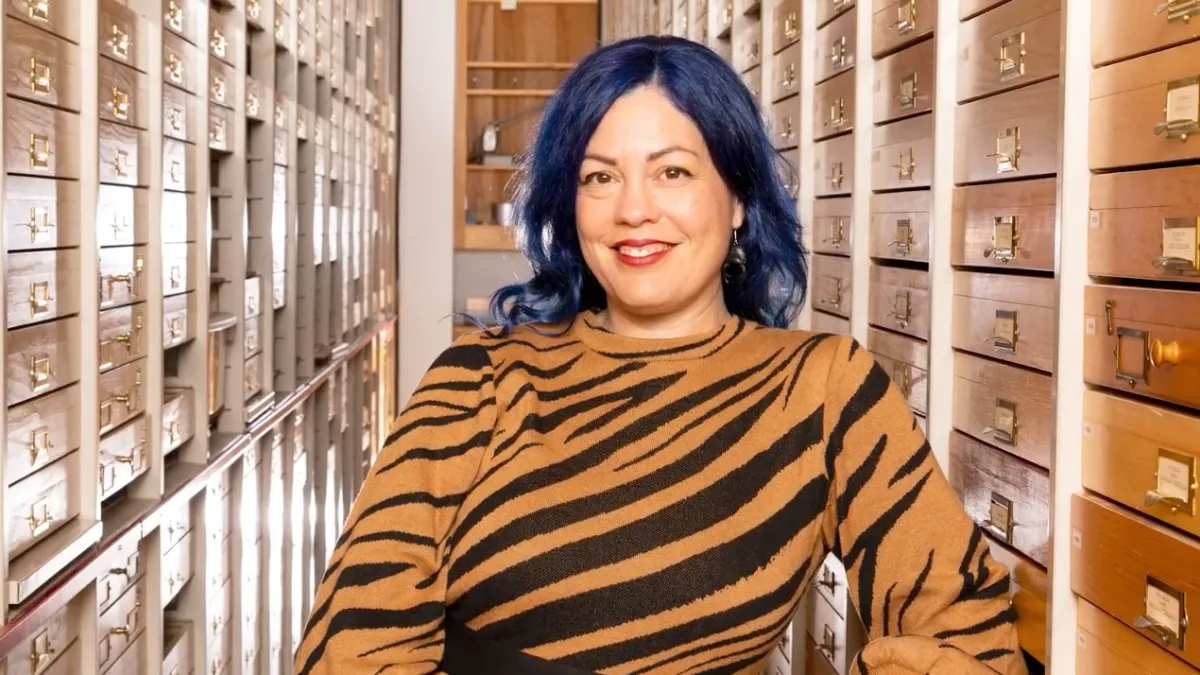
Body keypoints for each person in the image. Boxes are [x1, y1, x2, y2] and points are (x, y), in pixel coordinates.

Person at [293, 35, 1027, 675]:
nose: (633, 209)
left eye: (672, 172)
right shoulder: (478, 376)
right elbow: (351, 640)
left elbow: (963, 629)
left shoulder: (822, 387)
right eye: (599, 177)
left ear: (737, 198)